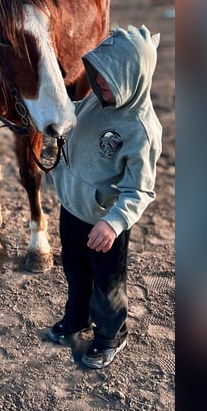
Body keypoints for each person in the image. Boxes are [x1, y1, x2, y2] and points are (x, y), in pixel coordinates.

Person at [48, 25, 162, 369]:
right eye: (96, 75)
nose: (98, 84)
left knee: (108, 287)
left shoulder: (141, 130)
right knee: (75, 273)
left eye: (107, 79)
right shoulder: (96, 102)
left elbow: (140, 190)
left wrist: (113, 224)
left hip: (104, 227)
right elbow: (73, 112)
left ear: (132, 77)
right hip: (72, 212)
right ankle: (77, 319)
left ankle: (112, 334)